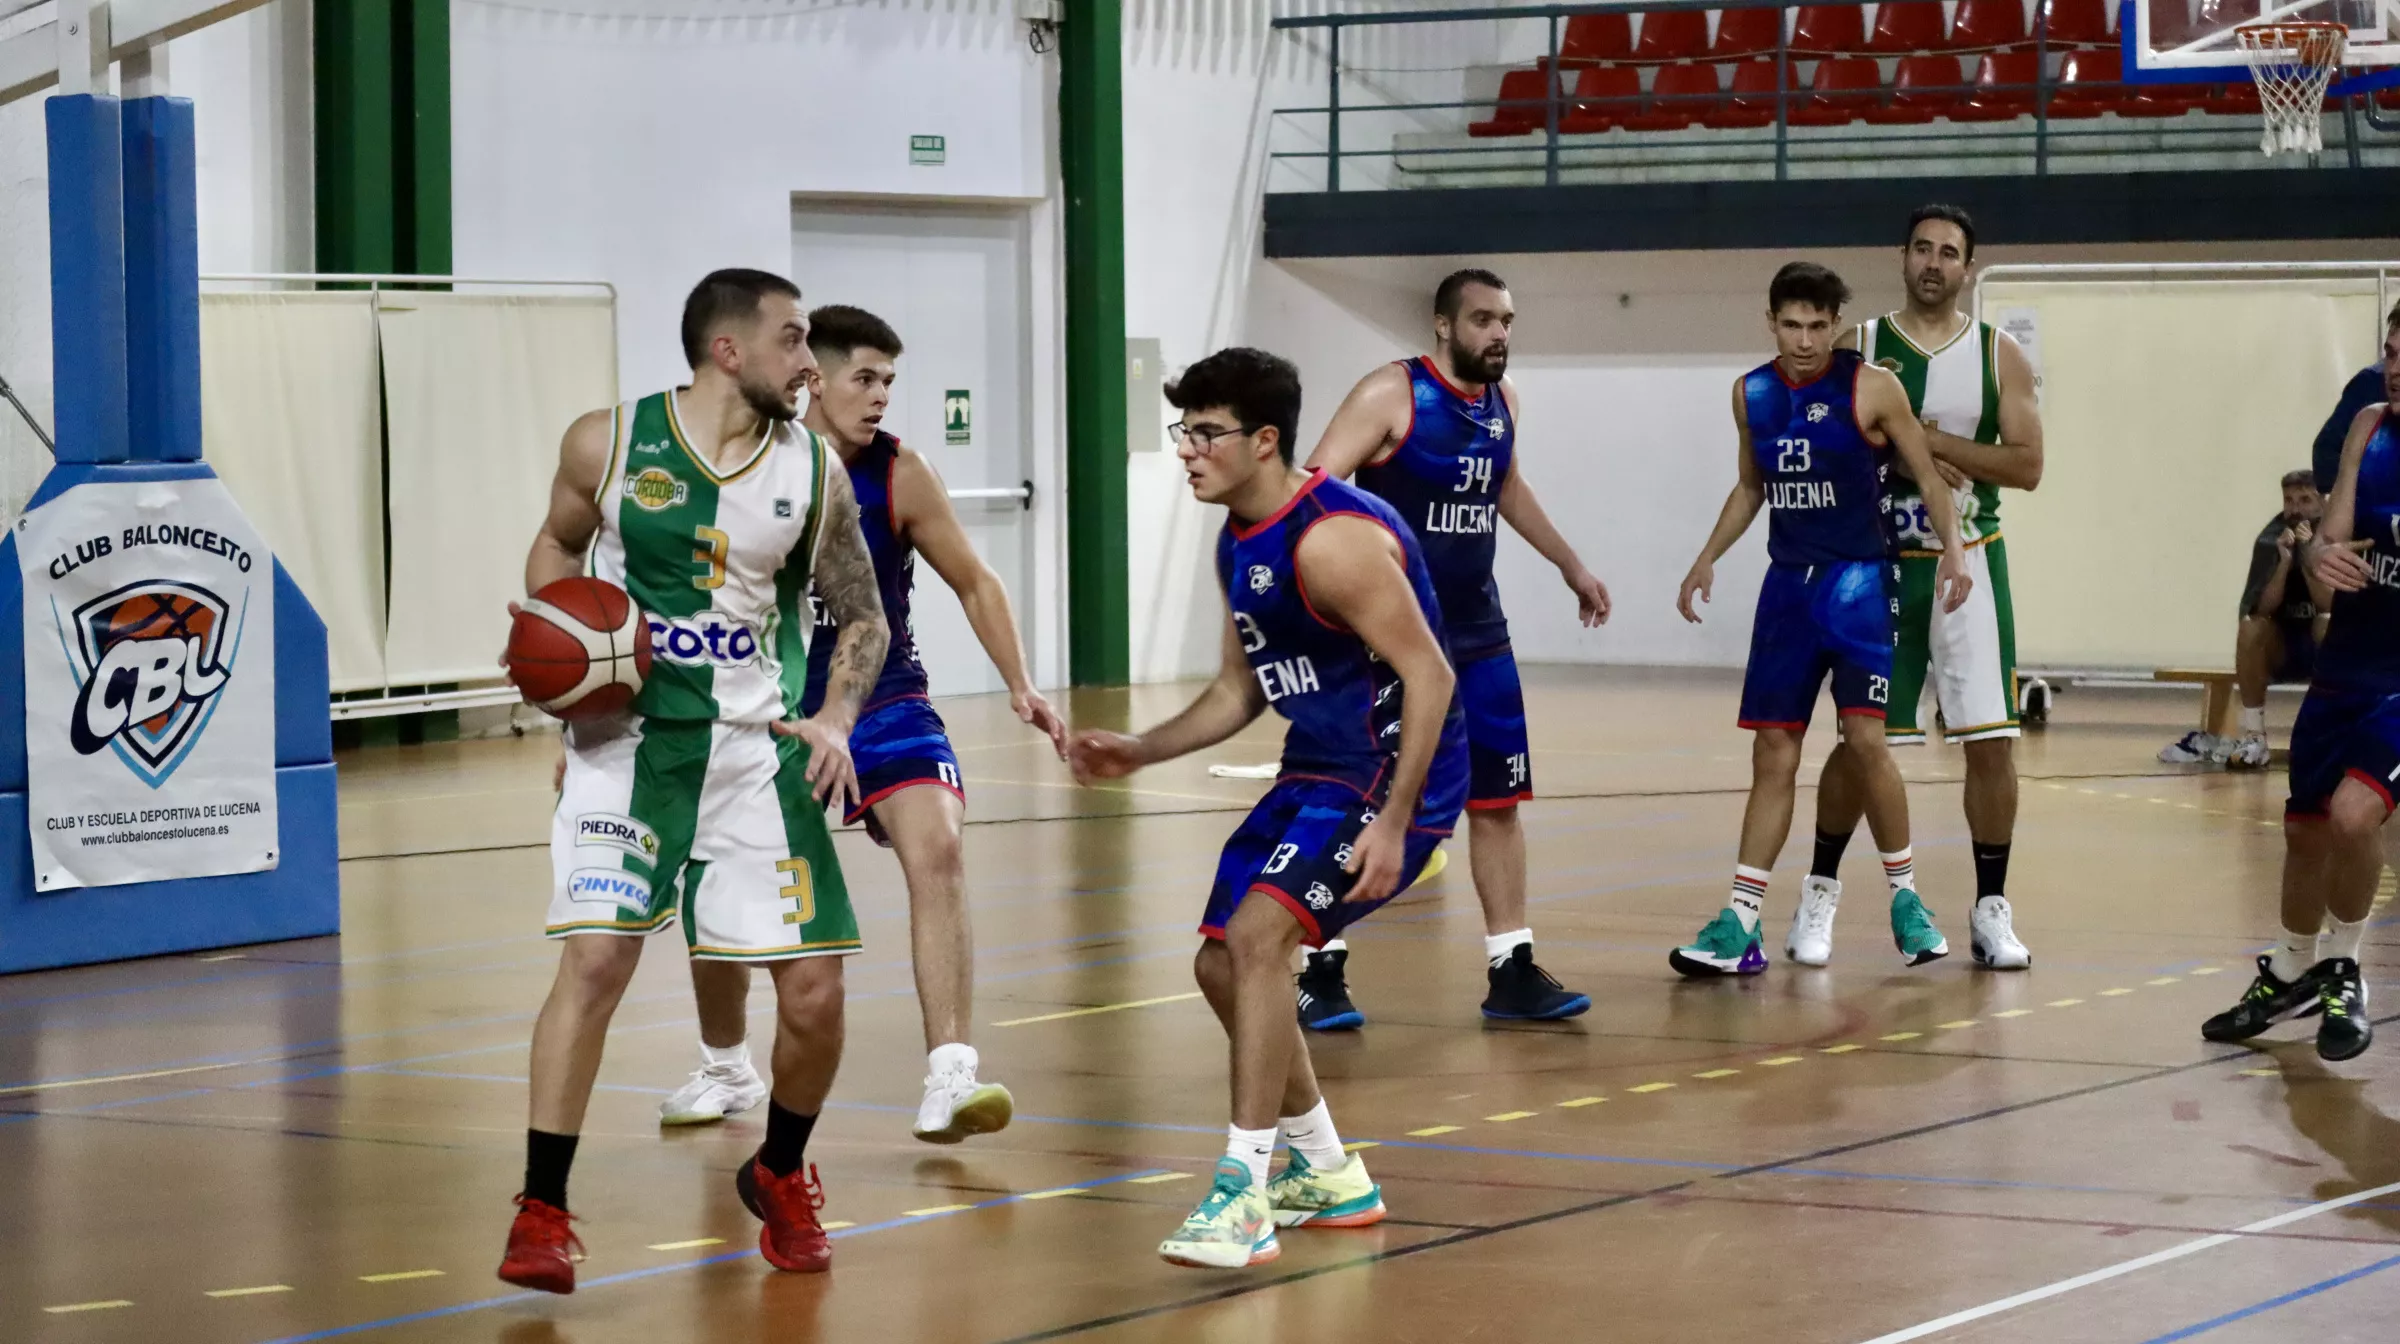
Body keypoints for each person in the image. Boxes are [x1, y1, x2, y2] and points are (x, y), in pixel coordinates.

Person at [497, 269, 889, 1291]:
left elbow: (864, 613)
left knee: (814, 994)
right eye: (795, 340)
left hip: (757, 750)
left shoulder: (815, 470)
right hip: (626, 750)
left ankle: (781, 1167)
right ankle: (541, 1209)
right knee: (593, 967)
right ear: (728, 350)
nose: (813, 363)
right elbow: (556, 545)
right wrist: (568, 639)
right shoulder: (609, 442)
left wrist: (838, 717)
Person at [1069, 347, 1469, 1268]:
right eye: (1184, 431)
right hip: (1315, 767)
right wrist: (1139, 749)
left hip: (1384, 771)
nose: (1186, 451)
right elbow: (1237, 692)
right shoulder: (1238, 538)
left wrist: (1399, 822)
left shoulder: (1333, 541)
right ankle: (1326, 1170)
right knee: (1220, 965)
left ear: (1264, 441)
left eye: (1205, 434)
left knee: (1259, 941)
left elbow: (1431, 675)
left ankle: (1242, 1188)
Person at [661, 305, 1067, 1144]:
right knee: (723, 885)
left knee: (941, 845)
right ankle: (727, 1063)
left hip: (882, 697)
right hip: (762, 707)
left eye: (890, 381)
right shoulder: (745, 465)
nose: (882, 396)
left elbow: (977, 582)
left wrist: (1020, 684)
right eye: (866, 378)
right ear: (814, 379)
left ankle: (951, 1074)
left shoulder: (901, 473)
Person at [1292, 267, 1607, 1028]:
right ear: (1443, 326)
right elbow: (1309, 490)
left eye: (1506, 320)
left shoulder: (1503, 403)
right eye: (1483, 321)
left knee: (1498, 799)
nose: (1498, 334)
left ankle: (1512, 967)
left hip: (1477, 631)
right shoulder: (1391, 394)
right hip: (1387, 640)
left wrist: (1570, 563)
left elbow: (1504, 486)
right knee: (1358, 798)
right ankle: (1317, 965)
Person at [1670, 262, 1971, 978]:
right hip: (1788, 591)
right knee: (1772, 753)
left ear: (1837, 323)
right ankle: (1740, 924)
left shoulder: (1872, 386)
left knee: (1867, 741)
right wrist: (1706, 556)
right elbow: (1752, 486)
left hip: (1863, 583)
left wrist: (1954, 550)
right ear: (1768, 322)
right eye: (1790, 324)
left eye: (1817, 325)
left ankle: (1906, 899)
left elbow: (1928, 476)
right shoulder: (1752, 393)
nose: (1804, 339)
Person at [1803, 204, 2039, 971]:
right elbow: (1828, 449)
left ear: (1968, 268)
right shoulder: (1858, 346)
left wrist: (1921, 436)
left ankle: (1992, 908)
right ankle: (1819, 894)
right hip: (1876, 568)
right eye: (1922, 249)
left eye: (1949, 253)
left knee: (1992, 742)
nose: (1934, 263)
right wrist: (1902, 458)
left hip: (1969, 559)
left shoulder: (1999, 354)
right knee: (1858, 744)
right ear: (1902, 258)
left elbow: (2027, 466)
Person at [2200, 327, 2400, 1062]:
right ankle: (2290, 970)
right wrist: (2323, 556)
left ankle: (2343, 966)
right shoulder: (2368, 425)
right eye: (2393, 352)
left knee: (2354, 818)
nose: (2397, 368)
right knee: (2305, 830)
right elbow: (2329, 547)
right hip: (2346, 664)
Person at [2159, 469, 2330, 769]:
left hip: (2328, 647)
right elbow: (2260, 608)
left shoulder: (2337, 534)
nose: (2296, 509)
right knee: (2251, 627)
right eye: (2289, 500)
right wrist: (2285, 562)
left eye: (2305, 499)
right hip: (2283, 647)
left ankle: (2334, 735)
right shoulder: (2271, 538)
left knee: (2328, 622)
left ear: (2323, 502)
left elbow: (2330, 603)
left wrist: (2309, 557)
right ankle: (2255, 737)